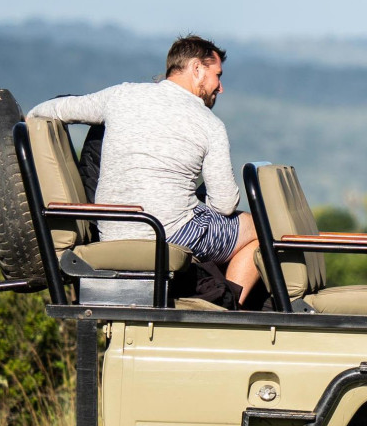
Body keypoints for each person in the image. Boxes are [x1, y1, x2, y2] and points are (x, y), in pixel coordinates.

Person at [26, 35, 261, 306]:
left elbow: (52, 109)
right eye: (217, 75)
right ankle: (230, 311)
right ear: (197, 69)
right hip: (169, 234)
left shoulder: (121, 94)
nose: (220, 88)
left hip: (112, 231)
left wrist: (26, 119)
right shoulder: (210, 125)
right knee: (260, 229)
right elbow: (224, 205)